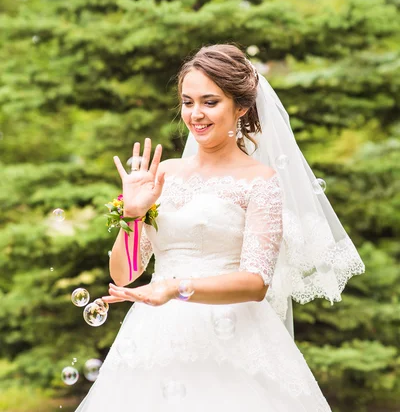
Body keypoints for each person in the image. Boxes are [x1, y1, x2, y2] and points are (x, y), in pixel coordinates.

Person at [75, 44, 365, 411]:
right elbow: (125, 272)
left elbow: (255, 283)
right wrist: (131, 215)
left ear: (240, 106)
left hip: (235, 338)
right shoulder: (161, 175)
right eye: (187, 102)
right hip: (154, 336)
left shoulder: (261, 181)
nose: (196, 114)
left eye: (210, 102)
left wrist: (175, 288)